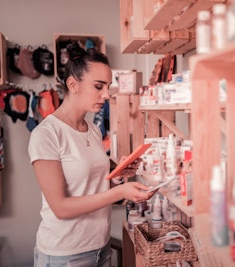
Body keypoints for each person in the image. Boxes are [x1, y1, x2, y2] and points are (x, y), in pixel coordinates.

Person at [28, 43, 154, 267]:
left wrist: (117, 176)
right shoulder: (46, 134)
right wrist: (119, 193)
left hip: (100, 247)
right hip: (65, 254)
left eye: (108, 86)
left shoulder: (93, 130)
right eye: (98, 86)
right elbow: (61, 207)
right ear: (73, 84)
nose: (106, 94)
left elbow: (91, 185)